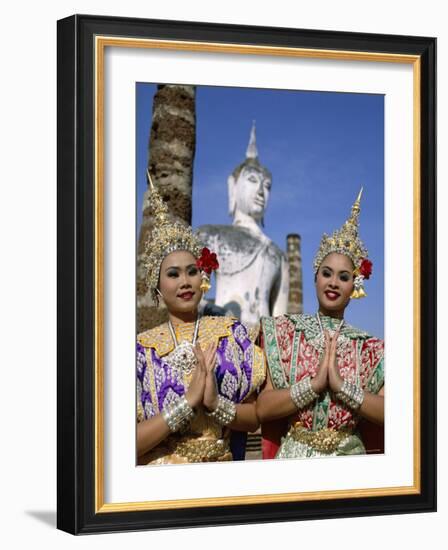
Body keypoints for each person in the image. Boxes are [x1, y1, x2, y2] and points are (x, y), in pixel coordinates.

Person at [136, 173, 265, 465]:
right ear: (157, 287)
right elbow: (122, 444)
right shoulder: (141, 350)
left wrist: (214, 404)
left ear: (203, 276)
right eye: (173, 274)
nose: (185, 281)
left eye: (192, 271)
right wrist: (187, 404)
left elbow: (256, 416)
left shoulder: (231, 335)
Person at [257, 189, 384, 459]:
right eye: (327, 274)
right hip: (295, 458)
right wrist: (313, 386)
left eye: (344, 277)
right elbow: (263, 409)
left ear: (355, 286)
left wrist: (342, 388)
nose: (333, 283)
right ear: (316, 277)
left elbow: (393, 414)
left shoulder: (371, 348)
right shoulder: (283, 332)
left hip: (350, 460)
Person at [196, 123, 289, 326]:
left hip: (261, 345)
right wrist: (209, 309)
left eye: (267, 186)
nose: (261, 191)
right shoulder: (211, 236)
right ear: (233, 185)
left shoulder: (277, 254)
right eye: (253, 180)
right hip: (218, 337)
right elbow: (188, 296)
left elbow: (280, 319)